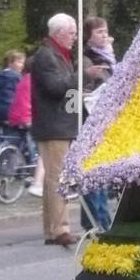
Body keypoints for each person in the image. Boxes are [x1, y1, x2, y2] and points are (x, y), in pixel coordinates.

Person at [31, 14, 107, 248]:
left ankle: (52, 229)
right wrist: (86, 74)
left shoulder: (58, 55)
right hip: (54, 126)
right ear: (59, 33)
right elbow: (55, 87)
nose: (75, 38)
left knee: (54, 180)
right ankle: (60, 229)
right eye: (72, 33)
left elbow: (63, 88)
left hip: (59, 123)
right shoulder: (47, 56)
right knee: (58, 179)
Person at [79, 16, 117, 231]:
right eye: (99, 32)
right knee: (94, 169)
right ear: (89, 36)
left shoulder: (108, 55)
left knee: (103, 168)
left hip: (106, 116)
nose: (104, 35)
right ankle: (98, 218)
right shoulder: (87, 58)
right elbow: (84, 85)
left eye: (105, 31)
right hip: (92, 117)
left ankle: (99, 216)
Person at [6, 60, 43, 196]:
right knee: (44, 147)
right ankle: (37, 181)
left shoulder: (24, 79)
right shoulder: (36, 81)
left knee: (27, 144)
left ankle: (29, 169)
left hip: (16, 116)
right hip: (27, 117)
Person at [0, 51, 25, 128]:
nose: (22, 65)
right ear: (10, 63)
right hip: (13, 115)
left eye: (23, 63)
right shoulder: (17, 77)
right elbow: (24, 97)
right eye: (20, 62)